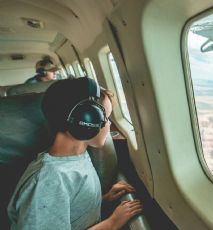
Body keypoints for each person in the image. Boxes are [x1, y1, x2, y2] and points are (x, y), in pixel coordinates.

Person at [7, 78, 142, 229]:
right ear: (86, 120)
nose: (109, 124)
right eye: (105, 117)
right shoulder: (49, 180)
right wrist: (112, 223)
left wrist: (102, 199)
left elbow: (65, 207)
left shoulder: (77, 157)